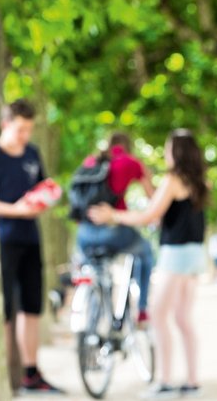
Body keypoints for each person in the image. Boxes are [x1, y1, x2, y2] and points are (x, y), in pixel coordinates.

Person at [89, 129, 209, 398]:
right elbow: (161, 210)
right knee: (183, 319)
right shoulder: (197, 181)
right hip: (194, 254)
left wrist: (113, 216)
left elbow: (149, 216)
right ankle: (192, 381)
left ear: (174, 152)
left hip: (175, 254)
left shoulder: (173, 179)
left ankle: (165, 381)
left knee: (158, 315)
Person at [0, 99, 62, 394]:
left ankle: (31, 373)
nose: (25, 135)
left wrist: (49, 194)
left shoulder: (32, 153)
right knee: (6, 310)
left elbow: (44, 186)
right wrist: (16, 209)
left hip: (31, 239)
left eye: (29, 129)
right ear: (5, 125)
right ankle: (7, 373)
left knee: (31, 308)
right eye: (20, 129)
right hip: (3, 239)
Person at [74, 132, 155, 320]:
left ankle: (93, 318)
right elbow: (152, 197)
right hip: (113, 231)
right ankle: (142, 309)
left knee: (93, 270)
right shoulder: (130, 162)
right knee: (145, 252)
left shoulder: (91, 162)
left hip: (84, 232)